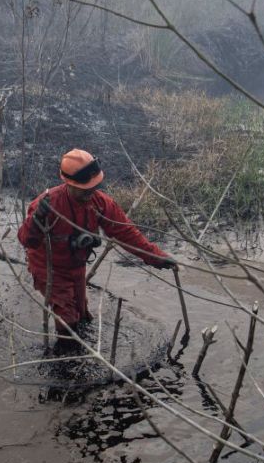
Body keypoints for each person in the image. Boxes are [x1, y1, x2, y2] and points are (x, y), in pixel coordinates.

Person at [18, 149, 176, 352]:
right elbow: (26, 240)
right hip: (49, 269)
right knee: (67, 320)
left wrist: (156, 257)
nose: (90, 193)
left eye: (94, 187)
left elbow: (127, 233)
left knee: (82, 314)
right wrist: (38, 219)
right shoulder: (47, 204)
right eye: (85, 189)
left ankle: (79, 350)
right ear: (69, 183)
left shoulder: (100, 203)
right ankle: (64, 364)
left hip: (76, 268)